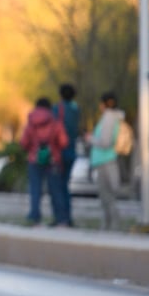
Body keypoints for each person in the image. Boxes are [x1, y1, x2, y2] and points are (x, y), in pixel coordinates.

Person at [19, 97, 69, 226]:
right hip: (53, 160)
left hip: (34, 159)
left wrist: (33, 148)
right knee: (55, 190)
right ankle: (61, 218)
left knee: (35, 190)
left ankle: (34, 216)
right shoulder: (55, 122)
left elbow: (24, 142)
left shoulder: (31, 123)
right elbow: (64, 142)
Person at [87, 91, 125, 230]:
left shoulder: (108, 118)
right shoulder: (114, 117)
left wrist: (90, 139)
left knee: (106, 196)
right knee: (106, 196)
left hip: (105, 160)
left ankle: (112, 225)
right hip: (106, 160)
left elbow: (105, 142)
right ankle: (110, 225)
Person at [53, 83, 80, 227]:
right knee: (65, 184)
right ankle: (68, 217)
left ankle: (61, 217)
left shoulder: (58, 109)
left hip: (60, 151)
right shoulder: (76, 109)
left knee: (58, 185)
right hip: (72, 150)